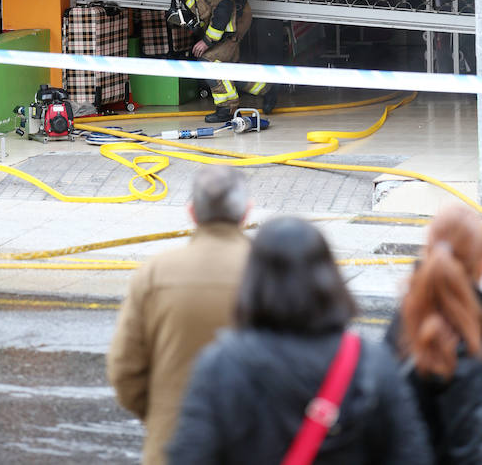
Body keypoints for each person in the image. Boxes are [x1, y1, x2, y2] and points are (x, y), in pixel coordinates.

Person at [167, 216, 433, 465]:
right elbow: (411, 454)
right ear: (328, 278)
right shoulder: (372, 363)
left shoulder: (220, 364)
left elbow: (189, 455)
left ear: (253, 279)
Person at [107, 165, 251, 465]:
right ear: (246, 213)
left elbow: (124, 369)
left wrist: (161, 415)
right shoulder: (271, 273)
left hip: (171, 445)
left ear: (193, 213)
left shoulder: (156, 272)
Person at [385, 204, 482, 464]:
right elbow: (468, 447)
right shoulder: (469, 337)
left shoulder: (405, 315)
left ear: (427, 248)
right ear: (479, 265)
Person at [150, 0, 278, 122]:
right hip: (220, 20)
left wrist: (208, 40)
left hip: (235, 17)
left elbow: (224, 5)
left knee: (208, 61)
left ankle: (227, 109)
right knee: (228, 69)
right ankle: (268, 89)